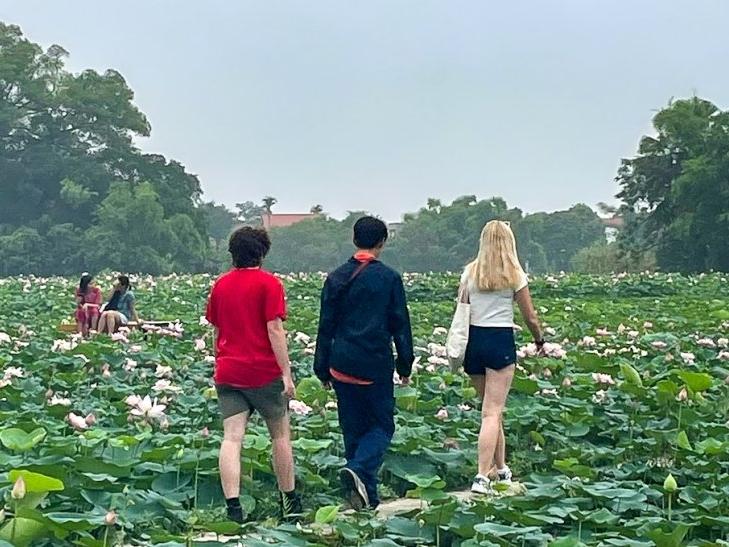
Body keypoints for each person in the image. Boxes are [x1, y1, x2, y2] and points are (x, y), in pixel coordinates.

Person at [314, 216, 414, 510]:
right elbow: (400, 326)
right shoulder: (389, 279)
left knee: (353, 429)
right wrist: (404, 364)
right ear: (382, 242)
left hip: (341, 364)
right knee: (383, 427)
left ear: (354, 239)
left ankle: (364, 499)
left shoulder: (335, 278)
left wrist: (321, 367)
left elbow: (325, 326)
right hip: (374, 364)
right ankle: (358, 470)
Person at [205, 227, 301, 523]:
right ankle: (289, 502)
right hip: (263, 371)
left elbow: (216, 331)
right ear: (262, 252)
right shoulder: (269, 284)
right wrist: (286, 373)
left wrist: (219, 362)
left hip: (229, 371)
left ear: (232, 254)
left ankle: (233, 509)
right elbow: (274, 329)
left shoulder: (220, 286)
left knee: (232, 439)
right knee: (280, 436)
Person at [459, 220, 543, 494]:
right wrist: (539, 339)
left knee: (491, 412)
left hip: (474, 341)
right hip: (499, 341)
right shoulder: (514, 274)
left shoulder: (470, 273)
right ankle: (482, 477)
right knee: (492, 412)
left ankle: (502, 469)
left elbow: (462, 309)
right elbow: (529, 315)